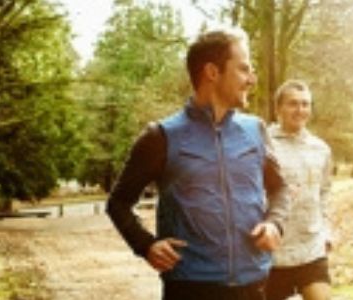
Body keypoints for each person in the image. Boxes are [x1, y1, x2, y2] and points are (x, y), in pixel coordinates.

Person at [106, 28, 290, 300]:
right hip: (190, 287)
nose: (251, 79)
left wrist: (275, 223)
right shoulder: (161, 137)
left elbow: (280, 189)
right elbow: (118, 202)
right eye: (243, 69)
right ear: (212, 73)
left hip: (253, 285)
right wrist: (146, 245)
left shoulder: (255, 131)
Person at [264, 80, 335, 300]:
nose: (300, 110)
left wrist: (326, 229)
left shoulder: (321, 149)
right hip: (273, 252)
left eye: (305, 104)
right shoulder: (262, 143)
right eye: (293, 104)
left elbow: (324, 192)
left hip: (311, 248)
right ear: (278, 109)